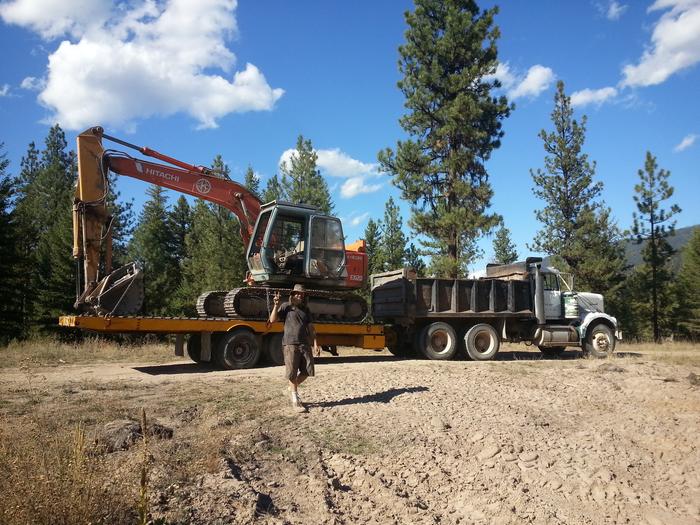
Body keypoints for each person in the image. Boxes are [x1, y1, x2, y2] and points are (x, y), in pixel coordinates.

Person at [269, 284, 320, 411]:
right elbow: (272, 320)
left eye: (302, 294)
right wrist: (276, 305)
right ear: (292, 294)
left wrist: (315, 343)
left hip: (304, 344)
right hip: (290, 344)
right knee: (292, 373)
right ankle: (295, 399)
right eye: (297, 293)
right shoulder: (286, 306)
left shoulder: (306, 310)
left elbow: (311, 328)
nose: (299, 295)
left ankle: (291, 387)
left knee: (308, 371)